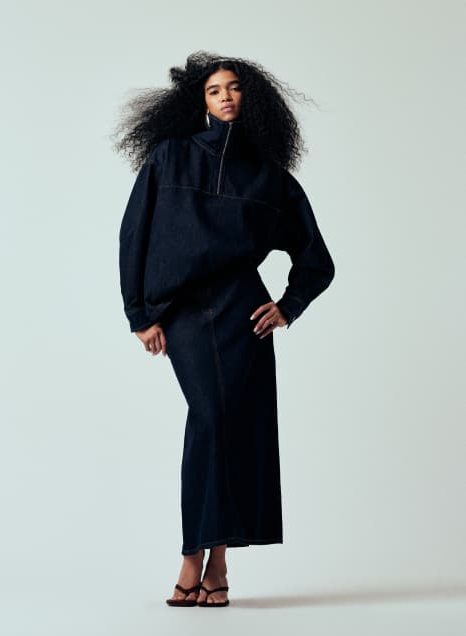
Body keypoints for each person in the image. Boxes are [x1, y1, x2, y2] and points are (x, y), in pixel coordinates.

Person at [113, 51, 335, 607]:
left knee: (234, 429)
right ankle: (197, 555)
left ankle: (213, 562)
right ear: (200, 101)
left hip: (244, 315)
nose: (226, 96)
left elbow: (317, 261)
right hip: (184, 313)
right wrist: (140, 314)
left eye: (234, 88)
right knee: (211, 420)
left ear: (251, 99)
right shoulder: (170, 157)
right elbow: (133, 234)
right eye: (214, 90)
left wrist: (287, 306)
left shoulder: (270, 177)